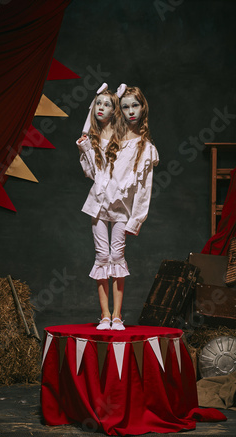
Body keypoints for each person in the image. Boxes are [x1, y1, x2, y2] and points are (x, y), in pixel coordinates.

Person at [77, 83, 159, 330]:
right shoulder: (110, 138)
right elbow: (93, 174)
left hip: (123, 208)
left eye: (135, 105)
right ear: (118, 111)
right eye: (125, 106)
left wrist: (137, 219)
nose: (131, 111)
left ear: (143, 107)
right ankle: (105, 315)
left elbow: (144, 190)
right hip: (99, 205)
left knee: (117, 255)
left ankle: (116, 316)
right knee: (102, 256)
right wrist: (86, 148)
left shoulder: (145, 147)